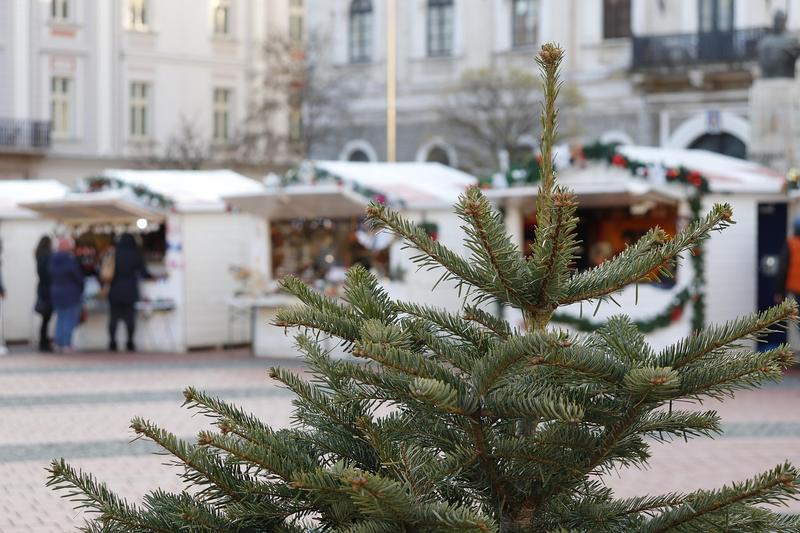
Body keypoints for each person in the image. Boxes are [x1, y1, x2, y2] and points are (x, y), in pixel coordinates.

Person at [107, 233, 151, 352]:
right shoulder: (135, 255)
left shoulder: (114, 254)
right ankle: (130, 342)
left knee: (113, 318)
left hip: (114, 289)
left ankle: (112, 342)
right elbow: (144, 273)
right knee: (130, 318)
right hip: (130, 290)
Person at [49, 237, 84, 353]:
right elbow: (78, 277)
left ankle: (59, 343)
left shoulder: (53, 260)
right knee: (69, 320)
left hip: (56, 293)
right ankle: (67, 344)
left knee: (60, 319)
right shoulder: (70, 261)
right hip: (71, 293)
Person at [34, 236, 53, 352]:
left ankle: (43, 341)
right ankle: (43, 342)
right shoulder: (47, 256)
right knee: (46, 318)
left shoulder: (39, 255)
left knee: (45, 318)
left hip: (42, 288)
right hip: (47, 290)